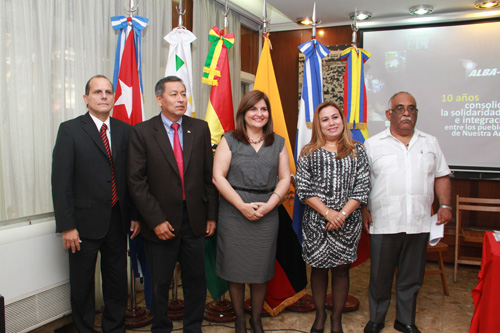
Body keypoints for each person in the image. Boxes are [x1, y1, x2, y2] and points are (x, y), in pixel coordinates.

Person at [128, 76, 218, 332]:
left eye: (183, 94)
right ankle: (161, 327)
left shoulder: (199, 128)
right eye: (174, 94)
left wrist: (211, 215)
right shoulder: (142, 132)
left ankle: (193, 327)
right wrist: (155, 220)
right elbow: (136, 182)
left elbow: (207, 177)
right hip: (160, 223)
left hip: (195, 220)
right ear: (159, 99)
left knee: (196, 281)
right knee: (159, 283)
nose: (181, 99)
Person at [52, 75, 140, 332]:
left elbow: (131, 179)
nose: (104, 96)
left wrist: (135, 215)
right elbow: (61, 182)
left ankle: (114, 327)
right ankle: (84, 328)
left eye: (108, 92)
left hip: (117, 220)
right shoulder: (69, 130)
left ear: (114, 98)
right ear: (86, 98)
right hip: (82, 224)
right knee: (82, 285)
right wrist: (67, 225)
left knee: (116, 283)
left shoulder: (126, 130)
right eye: (97, 92)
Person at [362, 91, 452, 333]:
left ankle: (405, 320)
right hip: (384, 221)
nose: (406, 113)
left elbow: (441, 175)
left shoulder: (430, 142)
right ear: (389, 114)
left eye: (411, 109)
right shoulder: (372, 145)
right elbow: (362, 182)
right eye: (400, 108)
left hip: (419, 222)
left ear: (416, 114)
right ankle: (377, 319)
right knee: (380, 277)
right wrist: (362, 209)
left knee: (412, 278)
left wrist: (445, 205)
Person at [212, 90, 290, 333]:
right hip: (234, 212)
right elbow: (217, 177)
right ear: (243, 113)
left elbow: (285, 177)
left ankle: (255, 320)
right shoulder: (229, 139)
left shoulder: (277, 142)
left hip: (268, 212)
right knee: (235, 270)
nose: (259, 114)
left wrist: (272, 203)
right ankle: (239, 319)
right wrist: (241, 206)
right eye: (253, 109)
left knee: (260, 270)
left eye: (263, 109)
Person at [295, 101, 371, 333]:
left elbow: (362, 188)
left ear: (342, 120)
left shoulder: (358, 150)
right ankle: (320, 317)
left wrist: (342, 215)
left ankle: (336, 319)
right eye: (325, 119)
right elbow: (304, 190)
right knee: (318, 269)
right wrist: (328, 213)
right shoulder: (308, 152)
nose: (331, 123)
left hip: (348, 224)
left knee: (340, 270)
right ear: (318, 125)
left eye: (335, 117)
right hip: (316, 223)